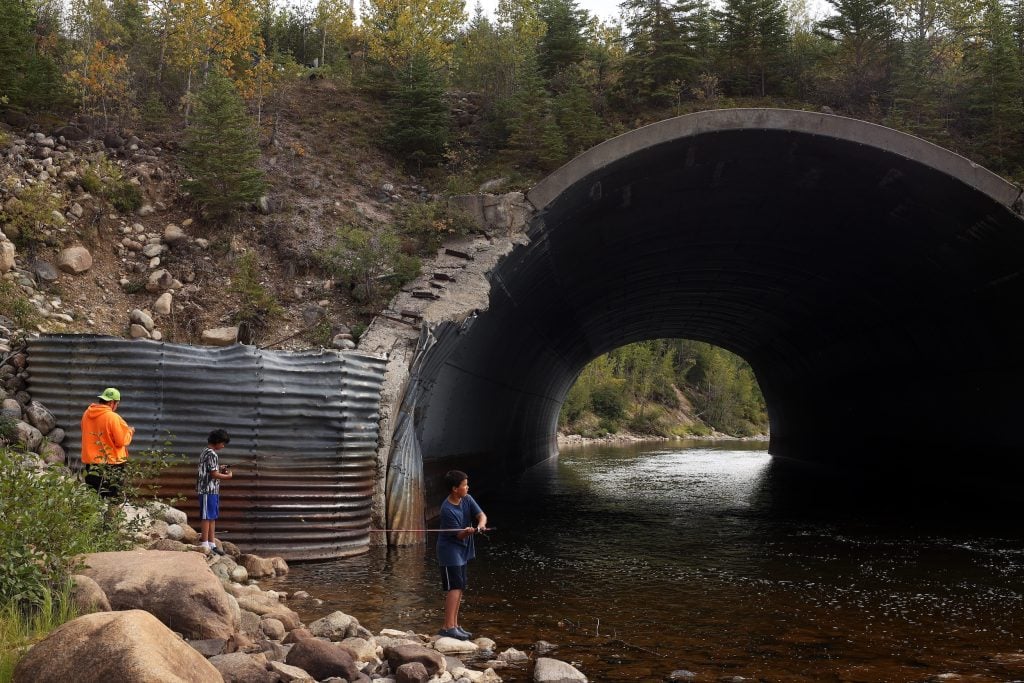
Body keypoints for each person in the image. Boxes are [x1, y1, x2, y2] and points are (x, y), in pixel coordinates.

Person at [436, 469, 488, 641]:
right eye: (464, 485)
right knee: (455, 587)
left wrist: (480, 525)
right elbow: (459, 535)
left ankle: (455, 625)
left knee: (461, 586)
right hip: (449, 551)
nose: (467, 488)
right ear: (454, 489)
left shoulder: (467, 498)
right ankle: (447, 627)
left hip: (462, 550)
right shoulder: (447, 509)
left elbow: (481, 515)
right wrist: (468, 532)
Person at [80, 387, 135, 498]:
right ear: (111, 403)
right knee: (112, 500)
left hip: (91, 466)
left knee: (93, 500)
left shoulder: (86, 414)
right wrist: (130, 431)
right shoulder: (112, 417)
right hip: (111, 466)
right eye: (117, 404)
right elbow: (121, 441)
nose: (116, 407)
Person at [196, 429, 233, 556]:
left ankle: (212, 543)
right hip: (207, 490)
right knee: (207, 517)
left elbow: (211, 470)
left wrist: (219, 468)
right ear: (217, 442)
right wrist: (228, 476)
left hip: (212, 490)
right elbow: (213, 474)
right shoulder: (211, 454)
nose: (223, 446)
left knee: (212, 516)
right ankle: (205, 543)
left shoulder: (205, 452)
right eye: (223, 443)